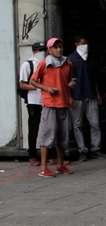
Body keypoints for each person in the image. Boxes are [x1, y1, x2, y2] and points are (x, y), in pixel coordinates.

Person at [29, 38, 76, 177]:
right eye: (55, 47)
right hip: (50, 104)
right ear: (49, 50)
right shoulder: (45, 63)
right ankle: (43, 168)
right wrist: (46, 88)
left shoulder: (68, 63)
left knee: (63, 137)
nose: (59, 49)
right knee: (47, 136)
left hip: (64, 104)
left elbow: (69, 81)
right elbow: (32, 80)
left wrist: (72, 87)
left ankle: (60, 166)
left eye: (60, 47)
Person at [67, 35, 105, 162]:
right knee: (77, 125)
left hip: (90, 95)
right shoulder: (70, 60)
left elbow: (94, 78)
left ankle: (95, 149)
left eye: (86, 43)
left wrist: (97, 94)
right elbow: (66, 81)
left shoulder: (91, 59)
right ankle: (82, 150)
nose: (85, 46)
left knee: (95, 123)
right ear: (76, 44)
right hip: (76, 97)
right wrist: (69, 97)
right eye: (83, 43)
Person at [18, 41, 47, 166]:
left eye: (43, 50)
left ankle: (49, 155)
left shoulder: (47, 64)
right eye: (39, 51)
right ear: (34, 52)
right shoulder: (27, 65)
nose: (42, 53)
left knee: (47, 128)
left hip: (46, 100)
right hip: (33, 100)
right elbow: (22, 84)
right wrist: (37, 87)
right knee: (34, 127)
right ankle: (32, 155)